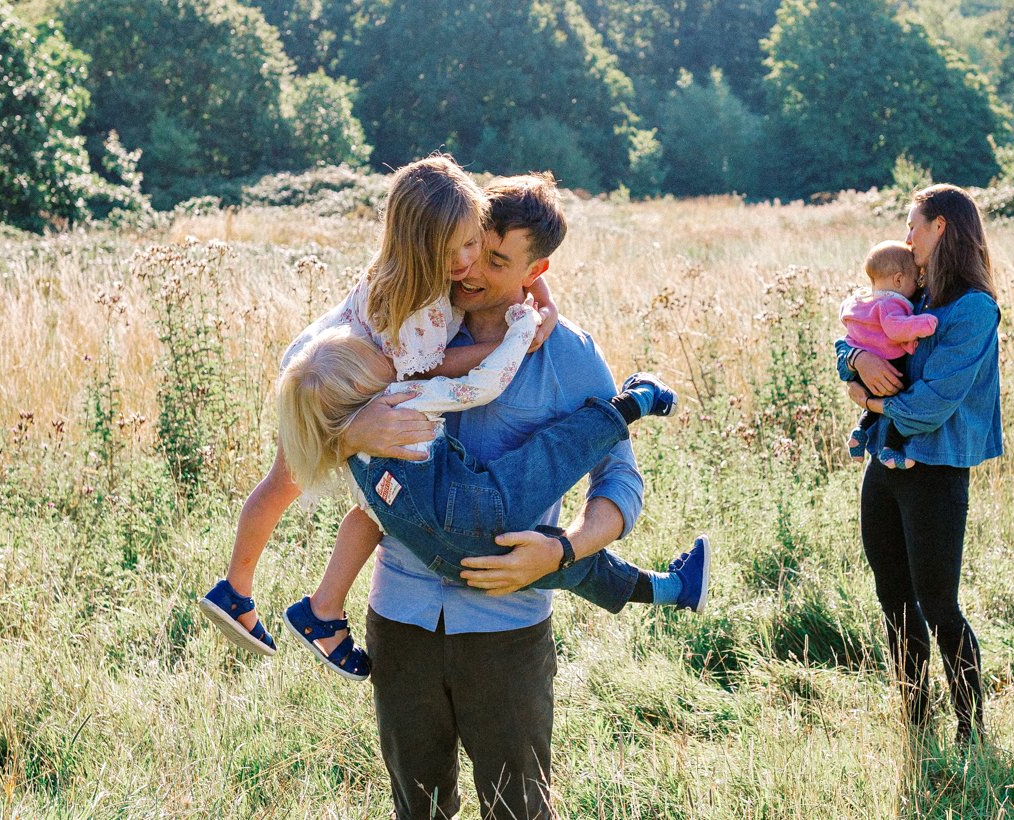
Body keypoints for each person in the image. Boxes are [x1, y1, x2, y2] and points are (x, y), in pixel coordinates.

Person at [344, 173, 655, 819]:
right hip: (399, 617)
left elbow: (619, 479)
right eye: (467, 249)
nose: (469, 270)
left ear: (536, 269)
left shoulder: (569, 357)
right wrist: (354, 427)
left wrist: (563, 550)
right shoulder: (408, 326)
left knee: (517, 809)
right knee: (417, 808)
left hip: (507, 626)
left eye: (496, 260)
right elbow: (312, 401)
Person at [199, 155, 559, 671]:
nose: (466, 260)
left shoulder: (421, 261)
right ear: (421, 246)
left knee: (293, 483)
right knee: (367, 501)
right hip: (336, 383)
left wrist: (544, 301)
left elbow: (524, 268)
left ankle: (246, 590)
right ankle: (298, 606)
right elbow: (425, 371)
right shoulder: (420, 304)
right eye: (451, 249)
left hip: (323, 358)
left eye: (472, 241)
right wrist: (505, 342)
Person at [274, 312, 708, 679]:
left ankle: (673, 589)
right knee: (554, 456)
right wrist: (521, 331)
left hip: (453, 560)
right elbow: (485, 386)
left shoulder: (350, 453)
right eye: (377, 358)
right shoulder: (405, 400)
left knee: (575, 570)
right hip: (481, 511)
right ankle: (638, 401)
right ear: (366, 381)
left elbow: (362, 519)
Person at [839, 184, 1002, 746]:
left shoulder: (974, 310)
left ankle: (970, 731)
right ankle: (914, 722)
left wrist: (872, 401)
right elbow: (853, 333)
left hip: (935, 471)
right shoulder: (913, 296)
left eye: (914, 225)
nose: (905, 238)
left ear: (942, 229)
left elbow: (932, 405)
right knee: (893, 598)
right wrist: (856, 358)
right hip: (884, 467)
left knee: (938, 605)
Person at [835, 240, 938, 470]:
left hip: (864, 373)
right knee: (898, 404)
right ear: (899, 280)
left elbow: (845, 330)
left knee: (870, 406)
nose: (917, 286)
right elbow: (896, 329)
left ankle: (860, 433)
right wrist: (924, 323)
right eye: (915, 280)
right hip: (889, 367)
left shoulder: (860, 301)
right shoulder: (890, 304)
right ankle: (890, 450)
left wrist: (857, 359)